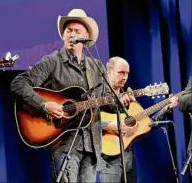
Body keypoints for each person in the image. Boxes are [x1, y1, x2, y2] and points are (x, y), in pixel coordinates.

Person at [10, 9, 134, 182]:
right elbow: (18, 83)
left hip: (92, 146)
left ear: (86, 37)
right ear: (62, 35)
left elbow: (106, 101)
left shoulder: (95, 66)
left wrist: (122, 102)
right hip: (64, 145)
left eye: (77, 31)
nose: (71, 34)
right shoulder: (52, 61)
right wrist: (44, 104)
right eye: (68, 31)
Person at [98, 57, 179, 183]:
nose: (124, 77)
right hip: (109, 159)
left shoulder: (130, 98)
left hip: (129, 157)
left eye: (127, 74)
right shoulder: (98, 97)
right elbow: (89, 122)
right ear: (108, 71)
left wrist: (166, 108)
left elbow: (147, 123)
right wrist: (109, 126)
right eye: (121, 73)